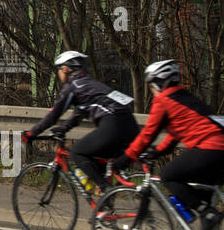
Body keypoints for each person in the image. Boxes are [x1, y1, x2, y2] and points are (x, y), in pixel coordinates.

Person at [112, 59, 224, 230]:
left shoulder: (163, 100)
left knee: (168, 175)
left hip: (214, 148)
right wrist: (158, 151)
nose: (152, 91)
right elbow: (175, 135)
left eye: (151, 86)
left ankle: (207, 214)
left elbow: (147, 135)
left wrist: (125, 158)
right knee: (202, 195)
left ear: (158, 83)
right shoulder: (185, 98)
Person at [22, 50, 139, 196]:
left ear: (65, 69)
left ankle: (105, 189)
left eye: (59, 69)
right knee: (97, 163)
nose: (59, 73)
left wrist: (32, 133)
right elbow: (79, 113)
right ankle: (105, 210)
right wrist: (63, 128)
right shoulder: (90, 85)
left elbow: (54, 114)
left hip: (113, 124)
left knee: (77, 152)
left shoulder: (72, 87)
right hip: (131, 125)